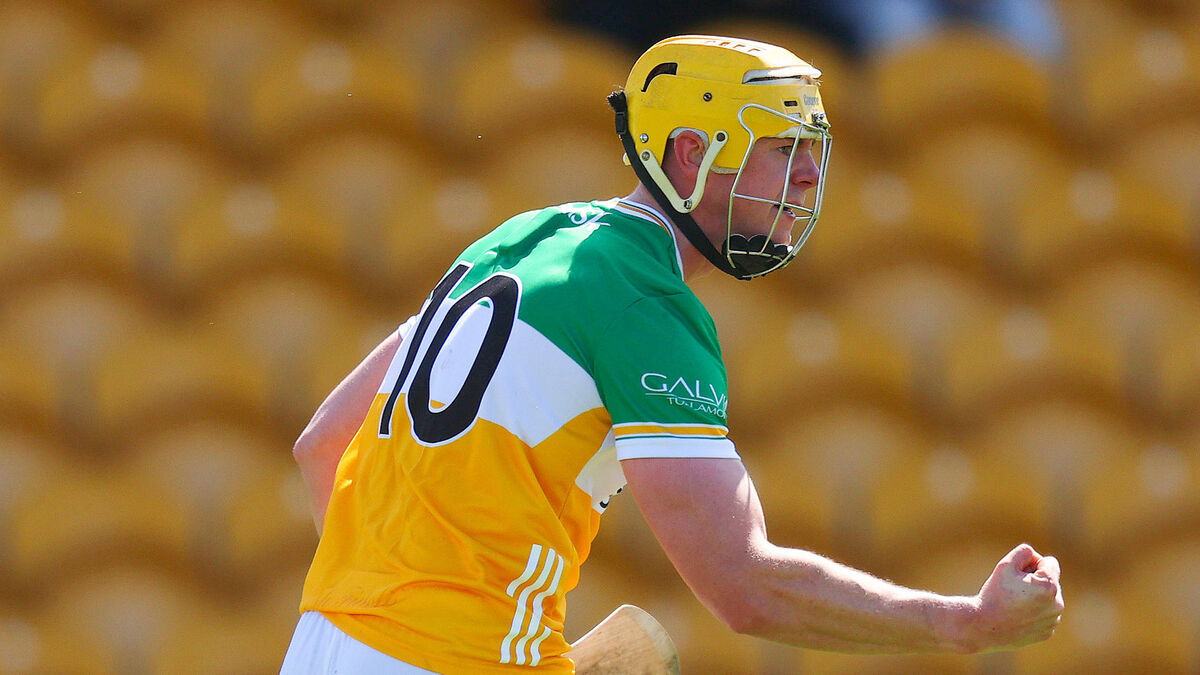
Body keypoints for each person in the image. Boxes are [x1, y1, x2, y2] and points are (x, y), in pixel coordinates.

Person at [282, 35, 1064, 673]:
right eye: (782, 148)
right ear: (691, 152)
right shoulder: (643, 304)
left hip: (321, 643)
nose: (807, 176)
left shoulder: (520, 238)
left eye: (812, 150)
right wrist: (967, 623)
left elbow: (322, 444)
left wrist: (389, 613)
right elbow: (745, 587)